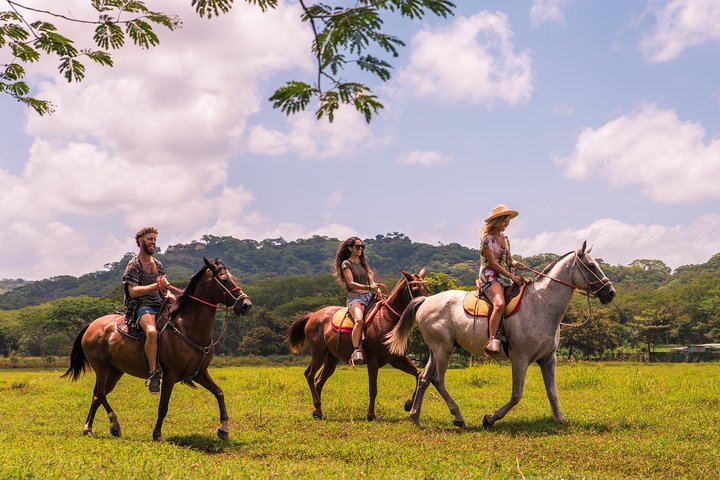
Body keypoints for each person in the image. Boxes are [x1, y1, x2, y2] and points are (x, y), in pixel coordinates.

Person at [123, 227, 175, 394]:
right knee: (152, 333)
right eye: (149, 239)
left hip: (161, 305)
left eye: (154, 239)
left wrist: (169, 293)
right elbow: (132, 291)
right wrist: (156, 285)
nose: (153, 242)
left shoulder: (158, 264)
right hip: (141, 306)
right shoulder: (134, 264)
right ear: (140, 241)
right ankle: (153, 374)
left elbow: (164, 288)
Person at [479, 205, 527, 355]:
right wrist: (511, 276)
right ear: (497, 221)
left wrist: (515, 264)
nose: (507, 224)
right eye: (505, 221)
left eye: (508, 221)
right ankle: (492, 339)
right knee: (499, 304)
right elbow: (493, 264)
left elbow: (509, 260)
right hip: (490, 276)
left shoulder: (505, 239)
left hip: (504, 276)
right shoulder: (487, 239)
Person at [333, 236, 379, 366]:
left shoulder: (363, 263)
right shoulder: (346, 264)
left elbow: (371, 280)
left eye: (362, 247)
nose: (361, 249)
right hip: (355, 298)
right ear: (350, 248)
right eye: (358, 247)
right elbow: (351, 284)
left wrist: (376, 289)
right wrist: (369, 287)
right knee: (359, 321)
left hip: (369, 297)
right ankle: (356, 350)